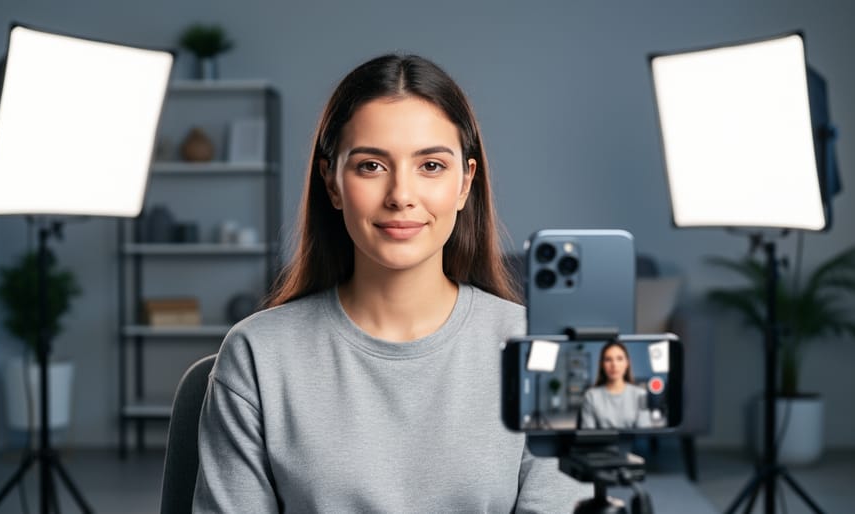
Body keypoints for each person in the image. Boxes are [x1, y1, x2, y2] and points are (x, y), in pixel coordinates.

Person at [192, 54, 577, 512]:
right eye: (371, 166)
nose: (401, 196)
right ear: (332, 183)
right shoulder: (258, 355)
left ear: (464, 183)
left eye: (430, 166)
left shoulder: (543, 352)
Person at [579, 341, 651, 429]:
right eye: (608, 359)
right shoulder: (591, 396)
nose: (614, 364)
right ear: (602, 364)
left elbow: (644, 432)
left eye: (619, 359)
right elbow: (588, 434)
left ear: (627, 363)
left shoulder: (640, 394)